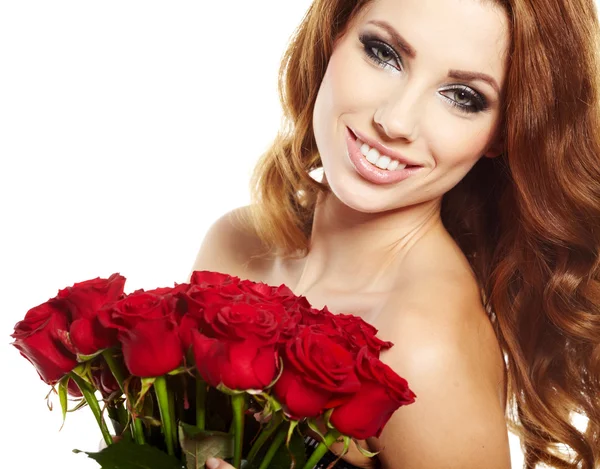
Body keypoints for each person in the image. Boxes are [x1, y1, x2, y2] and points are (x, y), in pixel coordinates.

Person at [189, 0, 600, 467]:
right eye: (384, 53)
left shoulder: (425, 349)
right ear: (333, 34)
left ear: (504, 132)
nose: (395, 121)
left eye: (463, 96)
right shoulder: (235, 242)